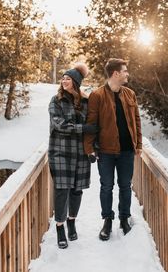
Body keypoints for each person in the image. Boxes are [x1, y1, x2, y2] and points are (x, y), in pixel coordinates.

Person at [84, 58, 142, 241]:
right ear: (116, 73)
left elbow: (137, 122)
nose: (127, 74)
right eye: (125, 71)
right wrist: (89, 148)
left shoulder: (130, 94)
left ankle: (124, 219)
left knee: (125, 186)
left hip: (126, 151)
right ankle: (107, 221)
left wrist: (138, 145)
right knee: (106, 186)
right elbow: (91, 123)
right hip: (106, 152)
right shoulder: (97, 95)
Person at [48, 63, 98, 249]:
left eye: (68, 78)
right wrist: (81, 128)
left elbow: (93, 128)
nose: (64, 80)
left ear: (75, 82)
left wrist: (94, 149)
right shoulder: (56, 101)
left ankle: (71, 221)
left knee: (77, 189)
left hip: (80, 153)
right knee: (62, 190)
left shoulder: (85, 103)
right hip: (60, 152)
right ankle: (60, 228)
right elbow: (59, 124)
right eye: (63, 78)